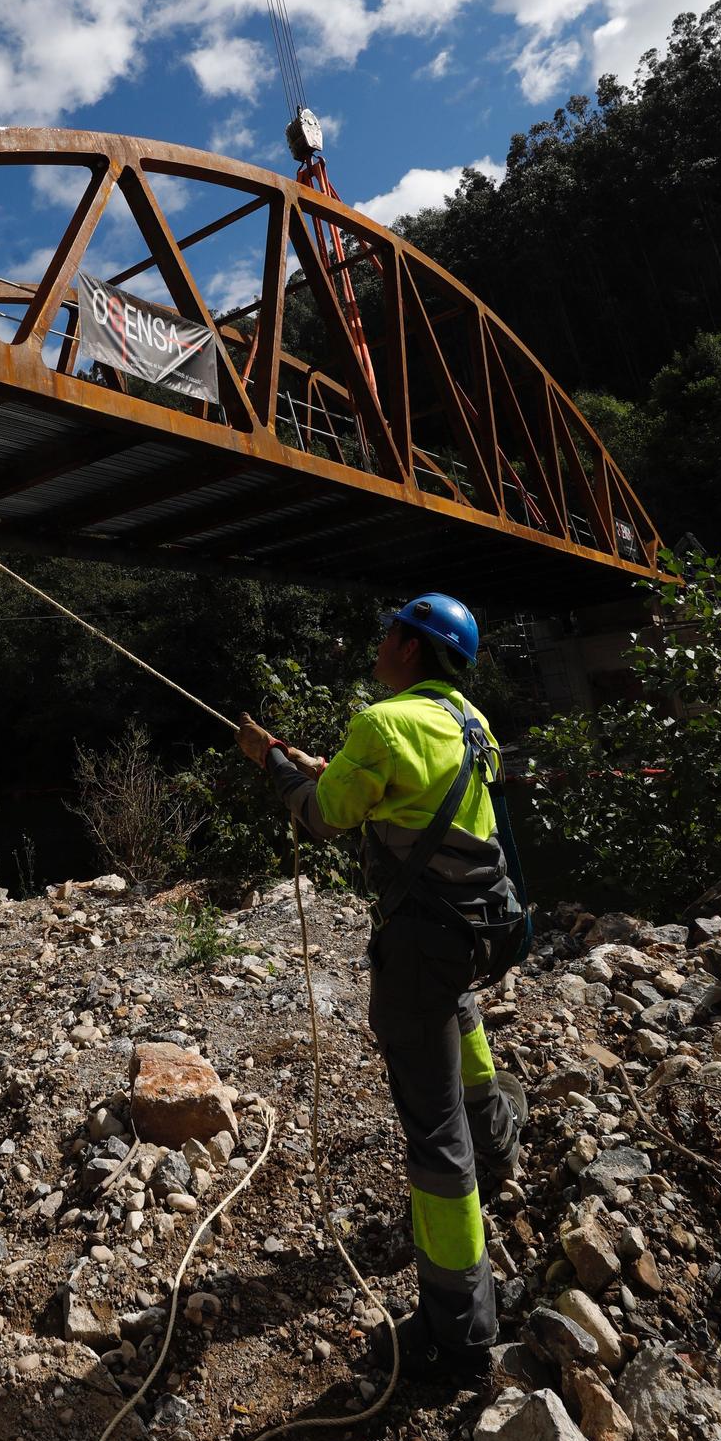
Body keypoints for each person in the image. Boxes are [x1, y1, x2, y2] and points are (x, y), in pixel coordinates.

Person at [237, 592, 527, 1382]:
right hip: (477, 928)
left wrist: (268, 759)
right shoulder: (468, 719)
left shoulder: (382, 723)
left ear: (407, 645)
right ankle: (497, 1140)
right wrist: (332, 772)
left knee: (433, 1135)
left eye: (388, 632)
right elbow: (408, 797)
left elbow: (322, 817)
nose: (379, 642)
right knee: (456, 1010)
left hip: (421, 939)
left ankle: (457, 1331)